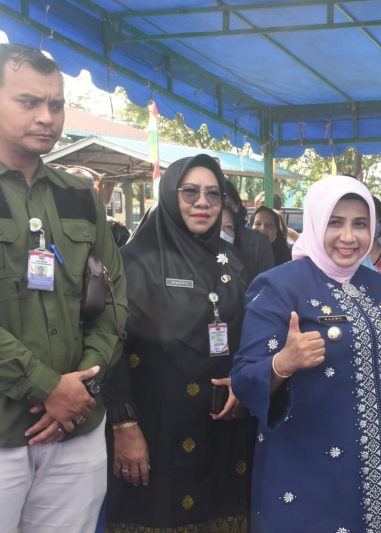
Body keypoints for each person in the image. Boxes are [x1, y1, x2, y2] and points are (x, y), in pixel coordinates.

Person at [231, 175, 381, 532]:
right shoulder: (280, 287)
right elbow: (244, 379)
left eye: (360, 224)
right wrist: (282, 364)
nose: (349, 237)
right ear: (314, 222)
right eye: (335, 223)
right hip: (309, 478)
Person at [0, 43, 128, 532]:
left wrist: (80, 389)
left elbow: (114, 299)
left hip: (77, 429)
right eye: (29, 102)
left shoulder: (79, 195)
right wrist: (47, 387)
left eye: (56, 104)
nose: (46, 117)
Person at [103, 155, 255, 532]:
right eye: (190, 192)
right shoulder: (133, 263)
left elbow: (250, 337)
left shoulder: (233, 264)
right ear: (170, 195)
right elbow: (111, 349)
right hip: (153, 429)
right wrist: (124, 425)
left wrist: (243, 381)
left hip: (223, 429)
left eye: (212, 194)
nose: (202, 203)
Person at [222, 180, 275, 274]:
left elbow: (265, 284)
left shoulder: (258, 243)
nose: (223, 210)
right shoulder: (195, 238)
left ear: (237, 206)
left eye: (227, 205)